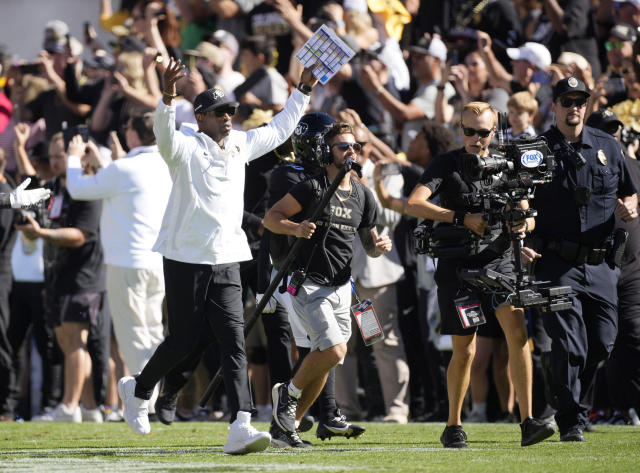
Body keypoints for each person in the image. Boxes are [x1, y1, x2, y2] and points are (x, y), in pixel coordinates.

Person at [117, 58, 317, 455]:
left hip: (228, 257)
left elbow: (279, 129)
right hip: (184, 257)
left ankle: (241, 424)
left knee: (234, 341)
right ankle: (138, 388)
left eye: (231, 111)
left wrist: (303, 91)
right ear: (201, 116)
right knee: (184, 339)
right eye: (220, 112)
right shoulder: (184, 144)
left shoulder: (241, 142)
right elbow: (163, 133)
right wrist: (168, 94)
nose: (228, 117)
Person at [404, 101, 555, 448]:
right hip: (458, 266)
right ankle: (453, 424)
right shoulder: (447, 163)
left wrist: (523, 224)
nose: (475, 138)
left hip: (501, 260)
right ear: (460, 130)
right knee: (466, 349)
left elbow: (528, 214)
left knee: (518, 338)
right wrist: (461, 218)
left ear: (495, 132)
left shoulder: (508, 163)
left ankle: (528, 421)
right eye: (468, 131)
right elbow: (414, 203)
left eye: (483, 132)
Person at [523, 77, 638, 441]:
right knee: (570, 341)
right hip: (556, 262)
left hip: (602, 263)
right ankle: (571, 418)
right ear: (554, 106)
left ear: (586, 106)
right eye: (566, 100)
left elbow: (630, 193)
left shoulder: (608, 146)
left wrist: (630, 207)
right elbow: (519, 200)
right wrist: (521, 233)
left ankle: (565, 399)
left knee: (603, 342)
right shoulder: (535, 150)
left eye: (579, 101)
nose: (573, 107)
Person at [263, 121, 392, 441]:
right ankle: (287, 395)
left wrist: (379, 247)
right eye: (344, 147)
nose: (352, 152)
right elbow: (271, 218)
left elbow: (370, 246)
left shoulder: (363, 194)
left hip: (340, 288)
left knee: (325, 359)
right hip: (308, 284)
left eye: (355, 147)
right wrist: (295, 229)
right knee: (333, 352)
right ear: (327, 152)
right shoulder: (313, 186)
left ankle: (287, 427)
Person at [64, 111, 172, 413]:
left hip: (127, 263)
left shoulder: (125, 168)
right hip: (156, 262)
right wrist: (110, 162)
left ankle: (144, 402)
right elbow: (122, 185)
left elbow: (78, 189)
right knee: (151, 331)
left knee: (135, 335)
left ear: (134, 135)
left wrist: (74, 157)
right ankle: (151, 399)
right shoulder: (162, 164)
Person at [15, 132, 106, 423]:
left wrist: (42, 234)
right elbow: (31, 192)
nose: (54, 162)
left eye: (60, 156)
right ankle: (90, 408)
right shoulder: (54, 187)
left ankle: (68, 406)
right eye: (52, 156)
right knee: (68, 344)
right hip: (56, 276)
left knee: (75, 340)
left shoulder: (89, 189)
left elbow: (79, 235)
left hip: (84, 275)